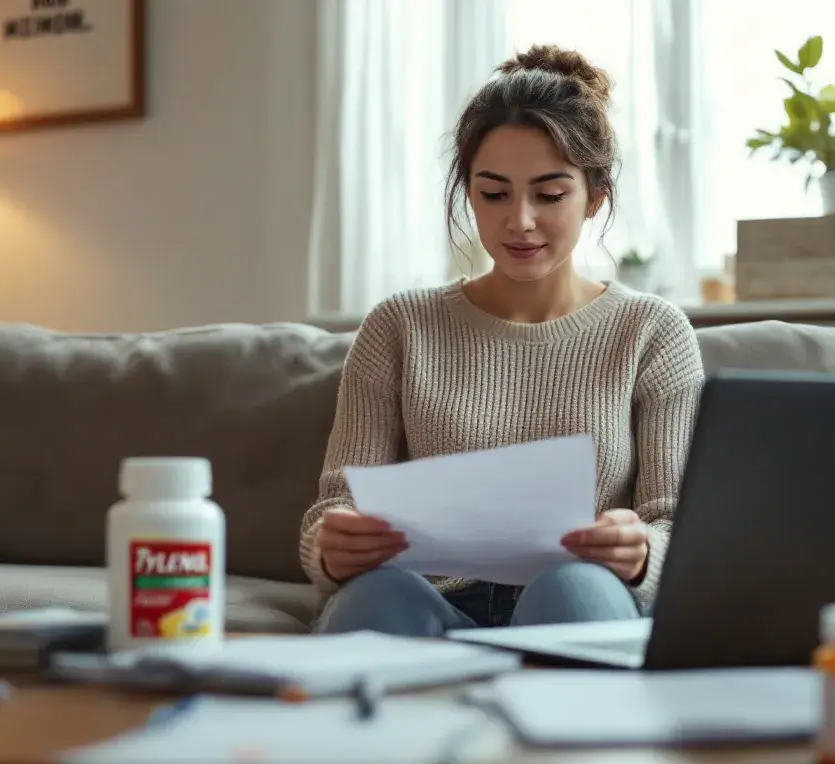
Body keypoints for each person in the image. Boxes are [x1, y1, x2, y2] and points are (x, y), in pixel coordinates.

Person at [299, 44, 705, 637]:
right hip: (423, 603)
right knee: (373, 601)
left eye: (549, 194)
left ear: (595, 197)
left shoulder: (651, 332)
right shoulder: (398, 326)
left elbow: (677, 524)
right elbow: (333, 506)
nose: (519, 221)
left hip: (577, 597)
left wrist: (641, 549)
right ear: (469, 193)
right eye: (494, 194)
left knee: (575, 591)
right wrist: (333, 545)